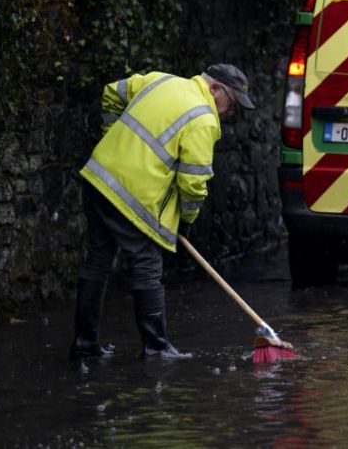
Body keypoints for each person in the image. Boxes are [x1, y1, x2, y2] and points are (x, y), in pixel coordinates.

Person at [69, 64, 255, 360]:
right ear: (215, 88)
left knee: (98, 262)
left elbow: (110, 93)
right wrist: (188, 218)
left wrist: (111, 135)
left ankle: (84, 344)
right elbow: (193, 182)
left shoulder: (160, 81)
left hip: (98, 177)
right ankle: (156, 349)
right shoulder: (203, 120)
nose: (227, 113)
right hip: (131, 196)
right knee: (146, 266)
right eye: (230, 104)